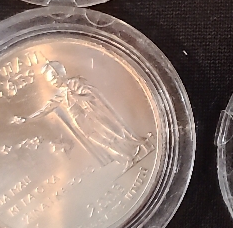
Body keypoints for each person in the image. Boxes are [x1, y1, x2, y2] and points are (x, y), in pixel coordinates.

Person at [12, 61, 149, 167]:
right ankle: (128, 157)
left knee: (112, 134)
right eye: (50, 80)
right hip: (83, 123)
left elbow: (93, 96)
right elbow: (47, 108)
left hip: (95, 117)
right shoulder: (61, 94)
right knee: (103, 141)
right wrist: (27, 118)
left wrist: (76, 96)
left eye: (53, 77)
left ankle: (137, 148)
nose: (52, 81)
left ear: (60, 74)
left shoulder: (76, 82)